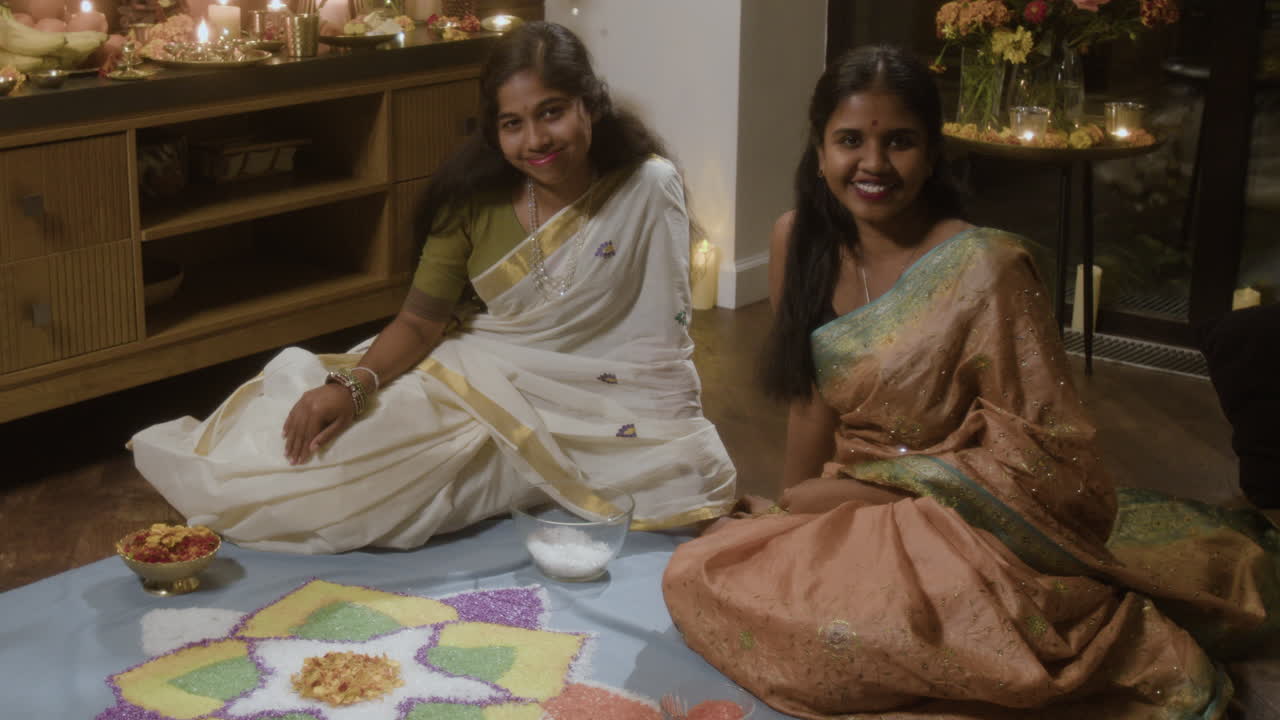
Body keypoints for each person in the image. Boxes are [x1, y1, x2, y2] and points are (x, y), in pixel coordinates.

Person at [663, 45, 1278, 719]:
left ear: (933, 153)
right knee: (701, 575)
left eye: (899, 141)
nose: (872, 164)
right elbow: (813, 399)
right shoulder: (798, 240)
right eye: (849, 141)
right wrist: (789, 514)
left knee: (882, 632)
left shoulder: (986, 266)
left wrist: (866, 491)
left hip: (964, 515)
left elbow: (1044, 453)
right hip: (854, 492)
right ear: (819, 149)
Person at [131, 22, 736, 554]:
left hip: (601, 407)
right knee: (322, 470)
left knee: (686, 471)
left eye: (552, 111)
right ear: (493, 130)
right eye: (512, 123)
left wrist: (678, 443)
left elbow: (662, 338)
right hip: (476, 378)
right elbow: (420, 322)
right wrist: (354, 383)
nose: (536, 141)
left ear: (591, 106)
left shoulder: (646, 188)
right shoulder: (471, 197)